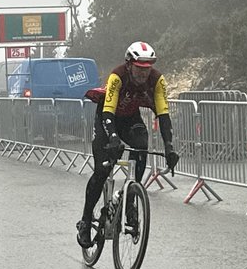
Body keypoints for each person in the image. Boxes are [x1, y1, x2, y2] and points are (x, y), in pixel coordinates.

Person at [77, 42, 180, 249]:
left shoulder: (157, 80)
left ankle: (130, 198)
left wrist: (169, 146)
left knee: (141, 146)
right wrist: (113, 138)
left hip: (130, 118)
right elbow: (107, 111)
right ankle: (86, 221)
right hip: (108, 118)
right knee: (102, 169)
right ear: (129, 64)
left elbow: (163, 114)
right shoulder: (118, 76)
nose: (143, 73)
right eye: (139, 68)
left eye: (147, 68)